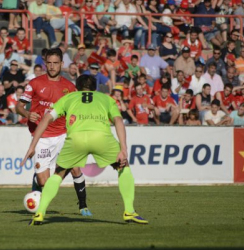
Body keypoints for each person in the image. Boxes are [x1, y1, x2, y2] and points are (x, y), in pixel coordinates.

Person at [21, 75, 148, 226]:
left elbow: (46, 119)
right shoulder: (106, 99)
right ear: (95, 88)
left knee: (58, 174)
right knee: (123, 167)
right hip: (101, 138)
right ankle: (129, 211)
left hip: (76, 140)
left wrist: (32, 146)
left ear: (76, 87)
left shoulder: (68, 98)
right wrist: (123, 149)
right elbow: (118, 120)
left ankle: (40, 214)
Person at [16, 48, 91, 216]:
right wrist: (28, 114)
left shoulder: (70, 87)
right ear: (45, 64)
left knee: (76, 169)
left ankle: (83, 205)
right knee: (45, 183)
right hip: (41, 137)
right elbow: (18, 107)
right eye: (49, 63)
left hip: (63, 134)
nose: (52, 66)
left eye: (55, 63)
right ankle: (38, 180)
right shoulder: (34, 84)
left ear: (62, 64)